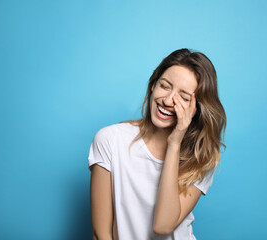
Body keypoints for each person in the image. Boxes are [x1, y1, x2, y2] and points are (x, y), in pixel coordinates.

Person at [88, 48, 226, 240]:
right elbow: (100, 234)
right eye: (164, 86)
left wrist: (174, 144)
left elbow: (163, 225)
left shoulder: (201, 157)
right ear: (153, 85)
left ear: (196, 110)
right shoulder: (110, 140)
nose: (168, 100)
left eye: (184, 97)